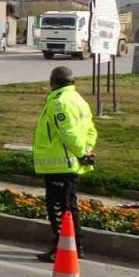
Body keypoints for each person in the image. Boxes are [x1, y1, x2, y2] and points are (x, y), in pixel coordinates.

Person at [32, 66, 97, 262]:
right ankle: (75, 246)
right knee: (70, 207)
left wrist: (81, 153)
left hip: (60, 163)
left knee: (60, 209)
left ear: (52, 83)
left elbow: (67, 132)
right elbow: (91, 130)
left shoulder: (59, 103)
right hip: (71, 162)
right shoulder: (79, 101)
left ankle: (62, 249)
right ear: (73, 82)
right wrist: (86, 150)